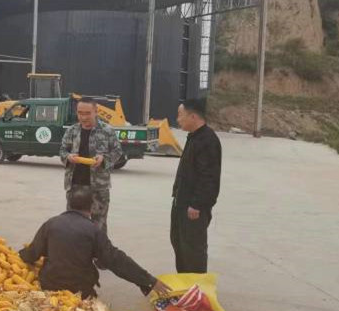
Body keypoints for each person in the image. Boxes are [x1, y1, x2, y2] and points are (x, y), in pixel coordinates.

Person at [19, 186, 169, 299]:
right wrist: (148, 281)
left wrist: (18, 255)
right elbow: (116, 261)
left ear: (69, 204)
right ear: (92, 207)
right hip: (78, 290)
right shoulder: (93, 230)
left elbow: (32, 253)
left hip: (49, 286)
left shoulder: (51, 223)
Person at [171, 98, 222, 273]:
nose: (178, 119)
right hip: (181, 203)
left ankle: (197, 286)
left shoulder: (207, 140)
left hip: (193, 209)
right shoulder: (194, 137)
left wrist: (197, 204)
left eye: (180, 115)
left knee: (193, 251)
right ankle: (185, 283)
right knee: (180, 245)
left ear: (193, 116)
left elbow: (209, 177)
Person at [59, 97, 121, 231]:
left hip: (98, 188)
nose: (83, 117)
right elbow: (62, 151)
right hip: (75, 186)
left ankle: (98, 246)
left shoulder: (107, 130)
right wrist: (68, 157)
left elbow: (117, 152)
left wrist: (104, 159)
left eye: (87, 113)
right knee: (73, 225)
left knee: (99, 226)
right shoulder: (72, 131)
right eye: (80, 113)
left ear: (96, 112)